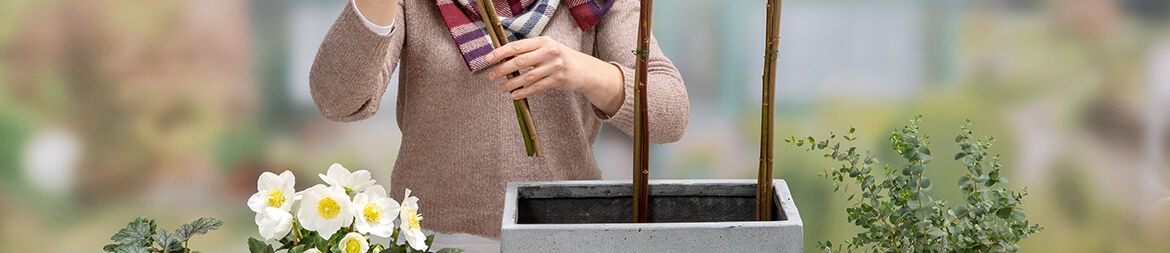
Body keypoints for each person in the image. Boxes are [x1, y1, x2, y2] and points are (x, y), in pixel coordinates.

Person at [309, 0, 688, 250]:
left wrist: (582, 69)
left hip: (563, 233)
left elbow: (671, 114)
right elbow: (337, 101)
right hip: (432, 237)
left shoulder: (597, 4)